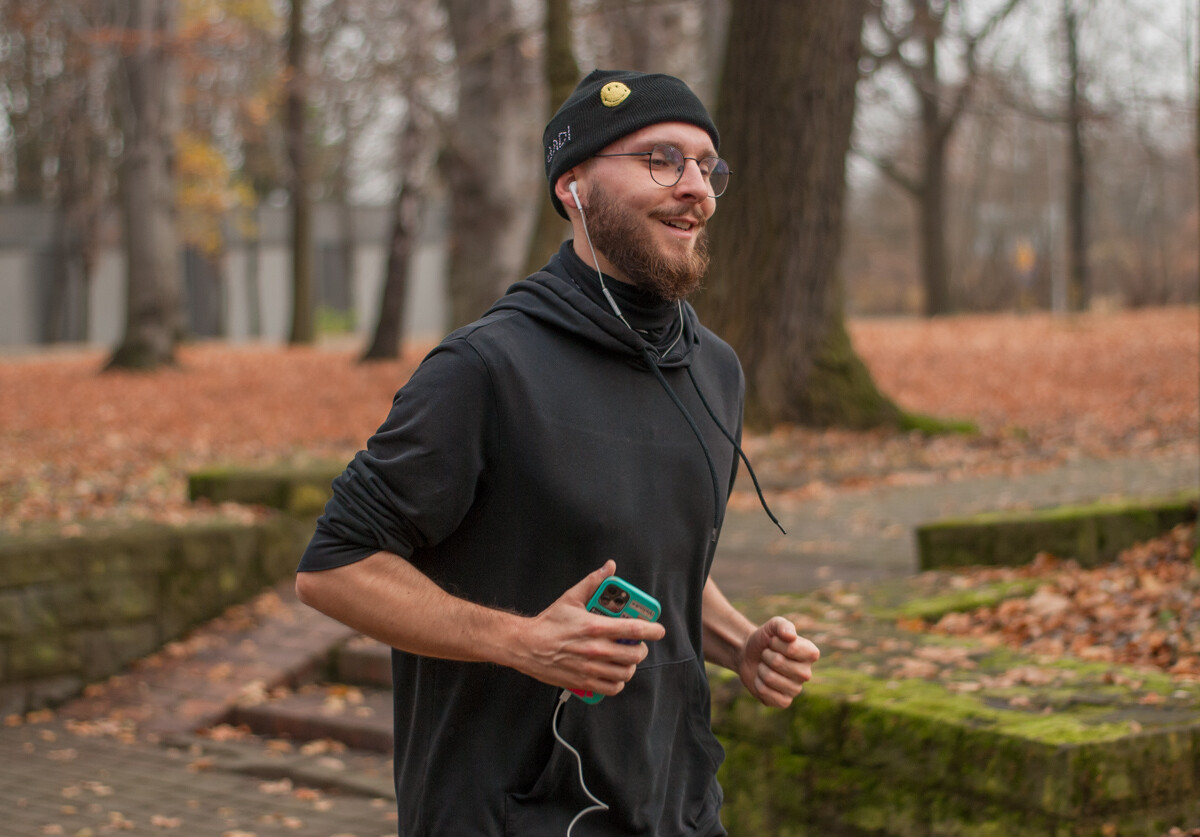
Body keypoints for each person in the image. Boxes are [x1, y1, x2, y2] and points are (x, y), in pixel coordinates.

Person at [296, 68, 820, 837]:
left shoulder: (714, 369)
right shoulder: (486, 368)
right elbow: (332, 568)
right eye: (661, 159)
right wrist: (524, 642)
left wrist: (739, 641)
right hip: (504, 813)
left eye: (707, 166)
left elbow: (646, 549)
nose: (695, 188)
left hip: (675, 806)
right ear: (573, 186)